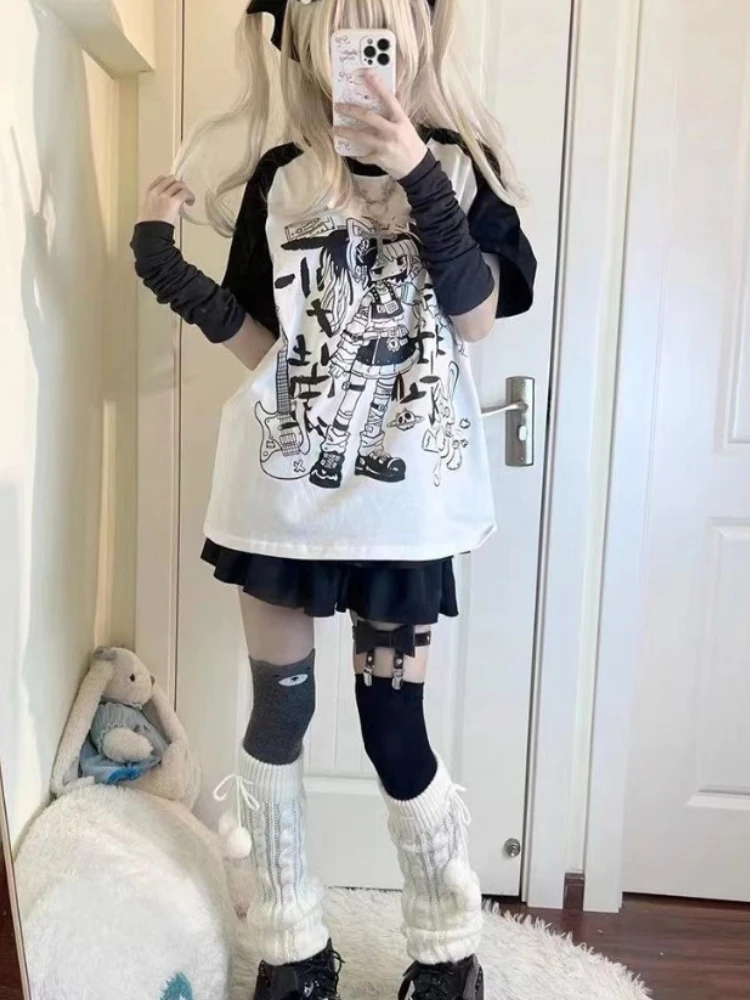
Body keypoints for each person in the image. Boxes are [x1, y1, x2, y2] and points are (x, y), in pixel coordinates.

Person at [130, 1, 536, 997]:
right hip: (286, 501)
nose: (363, 52)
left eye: (381, 28)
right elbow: (267, 351)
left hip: (402, 515)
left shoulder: (461, 167)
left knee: (395, 728)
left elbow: (478, 316)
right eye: (344, 29)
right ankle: (292, 949)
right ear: (310, 44)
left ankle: (448, 955)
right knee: (278, 720)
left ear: (418, 36)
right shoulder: (280, 180)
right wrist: (167, 270)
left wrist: (415, 171)